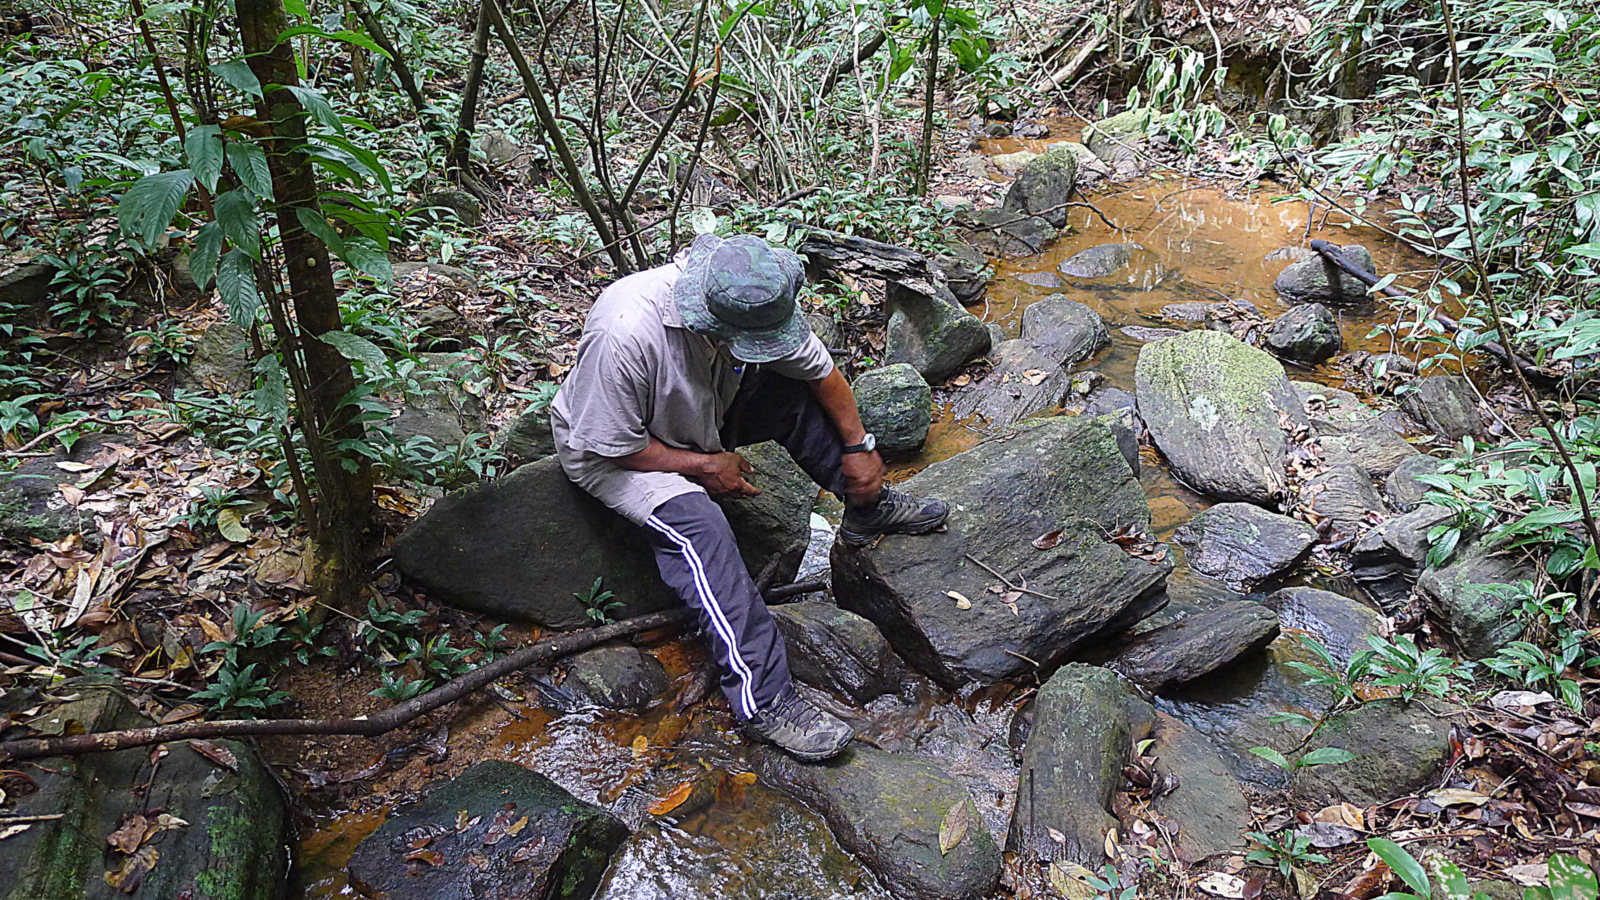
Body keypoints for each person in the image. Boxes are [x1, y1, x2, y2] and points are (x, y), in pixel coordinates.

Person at [550, 233, 950, 761]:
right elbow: (609, 443)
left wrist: (859, 448)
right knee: (701, 529)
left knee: (791, 396)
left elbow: (821, 373)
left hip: (703, 409)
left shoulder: (758, 299)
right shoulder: (625, 332)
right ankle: (764, 698)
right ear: (710, 318)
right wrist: (703, 467)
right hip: (621, 448)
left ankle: (867, 510)